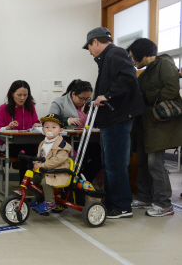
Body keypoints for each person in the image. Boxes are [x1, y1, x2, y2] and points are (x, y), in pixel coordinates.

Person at [83, 27, 145, 219]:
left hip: (117, 119)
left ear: (95, 42)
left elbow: (128, 79)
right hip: (111, 119)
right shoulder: (109, 57)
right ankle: (112, 203)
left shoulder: (115, 54)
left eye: (90, 47)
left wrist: (107, 95)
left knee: (115, 164)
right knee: (110, 163)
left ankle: (121, 206)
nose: (90, 52)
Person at [126, 38, 181, 217]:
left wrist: (146, 96)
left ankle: (164, 203)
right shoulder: (147, 71)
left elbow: (171, 90)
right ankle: (144, 197)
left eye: (133, 56)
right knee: (143, 161)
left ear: (142, 53)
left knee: (155, 163)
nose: (132, 60)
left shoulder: (164, 64)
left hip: (160, 124)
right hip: (147, 123)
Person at [49, 79, 102, 183]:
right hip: (68, 141)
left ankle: (83, 180)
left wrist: (93, 110)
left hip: (86, 140)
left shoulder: (87, 105)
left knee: (101, 155)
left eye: (87, 99)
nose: (84, 102)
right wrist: (68, 120)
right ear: (73, 94)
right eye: (82, 98)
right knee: (78, 160)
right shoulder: (59, 102)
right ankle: (72, 185)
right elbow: (51, 121)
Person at [0, 80, 41, 183]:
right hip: (10, 145)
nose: (22, 98)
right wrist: (8, 127)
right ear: (12, 94)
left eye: (25, 95)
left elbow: (36, 122)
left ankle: (34, 185)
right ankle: (24, 185)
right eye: (19, 95)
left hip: (28, 143)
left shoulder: (30, 107)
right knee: (26, 154)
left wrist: (36, 125)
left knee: (37, 153)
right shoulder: (3, 108)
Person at [29, 114, 71, 213]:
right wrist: (36, 163)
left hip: (58, 172)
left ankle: (50, 202)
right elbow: (39, 155)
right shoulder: (43, 143)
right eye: (47, 127)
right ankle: (40, 199)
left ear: (61, 130)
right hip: (46, 171)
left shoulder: (63, 145)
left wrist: (42, 165)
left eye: (53, 127)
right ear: (43, 130)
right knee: (33, 180)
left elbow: (56, 161)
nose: (50, 130)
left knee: (45, 182)